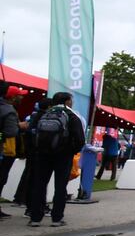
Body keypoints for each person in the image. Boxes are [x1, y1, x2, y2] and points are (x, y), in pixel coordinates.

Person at [28, 92, 85, 227]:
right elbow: (80, 139)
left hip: (42, 155)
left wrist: (37, 150)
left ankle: (35, 217)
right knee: (60, 186)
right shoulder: (71, 116)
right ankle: (56, 218)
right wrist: (72, 151)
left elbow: (31, 132)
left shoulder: (42, 114)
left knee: (40, 185)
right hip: (63, 155)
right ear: (67, 102)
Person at [0, 84, 28, 219]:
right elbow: (10, 132)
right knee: (1, 179)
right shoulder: (9, 110)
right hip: (5, 151)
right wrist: (20, 126)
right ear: (12, 97)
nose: (22, 98)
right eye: (20, 95)